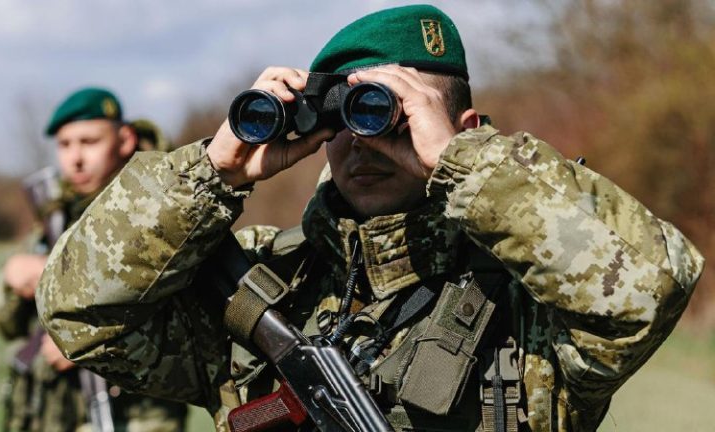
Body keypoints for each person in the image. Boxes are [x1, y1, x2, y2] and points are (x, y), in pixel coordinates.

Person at [36, 6, 704, 432]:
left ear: (463, 128)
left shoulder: (532, 298)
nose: (364, 141)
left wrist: (460, 161)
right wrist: (213, 173)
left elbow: (649, 288)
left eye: (389, 113)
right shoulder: (261, 281)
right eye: (345, 118)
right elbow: (76, 310)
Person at [0, 87, 187, 431]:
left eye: (89, 142)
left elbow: (187, 318)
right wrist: (13, 279)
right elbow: (7, 325)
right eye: (65, 145)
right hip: (51, 412)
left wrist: (84, 339)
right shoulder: (55, 215)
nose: (76, 158)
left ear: (124, 140)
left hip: (135, 415)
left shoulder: (159, 207)